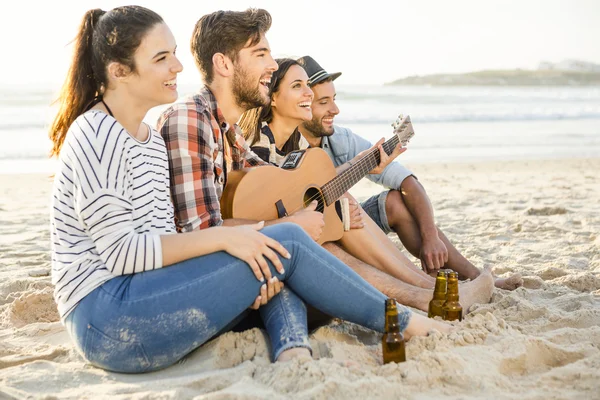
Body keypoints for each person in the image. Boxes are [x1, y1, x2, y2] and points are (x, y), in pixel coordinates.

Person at [49, 6, 451, 374]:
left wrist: (242, 255)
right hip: (107, 319)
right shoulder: (95, 134)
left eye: (174, 53)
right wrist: (232, 238)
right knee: (284, 241)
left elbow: (163, 239)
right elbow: (123, 254)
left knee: (270, 251)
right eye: (161, 58)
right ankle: (405, 321)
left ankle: (293, 351)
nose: (177, 65)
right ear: (119, 71)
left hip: (148, 298)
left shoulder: (149, 141)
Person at [239, 58, 496, 313]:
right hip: (272, 244)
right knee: (340, 216)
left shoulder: (300, 141)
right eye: (299, 86)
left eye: (309, 86)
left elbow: (303, 188)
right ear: (272, 97)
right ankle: (425, 292)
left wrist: (359, 169)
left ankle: (431, 286)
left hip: (300, 230)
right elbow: (261, 208)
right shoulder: (256, 143)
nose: (309, 93)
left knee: (346, 204)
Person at [295, 55, 523, 291]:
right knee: (345, 206)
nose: (335, 109)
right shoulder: (279, 142)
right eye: (324, 102)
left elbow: (408, 182)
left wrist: (430, 237)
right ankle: (428, 285)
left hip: (341, 223)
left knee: (395, 201)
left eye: (334, 99)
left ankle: (476, 278)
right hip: (310, 232)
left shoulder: (340, 139)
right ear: (300, 102)